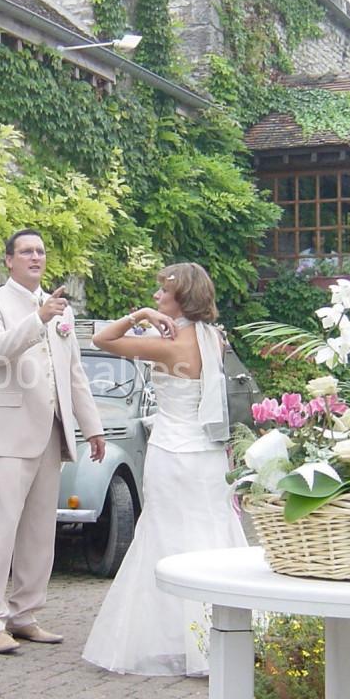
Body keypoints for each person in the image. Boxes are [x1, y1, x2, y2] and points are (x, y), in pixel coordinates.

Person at [82, 262, 248, 676]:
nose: (156, 297)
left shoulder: (167, 345)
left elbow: (101, 339)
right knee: (211, 537)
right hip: (208, 456)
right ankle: (216, 639)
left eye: (162, 293)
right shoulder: (214, 337)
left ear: (182, 298)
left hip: (173, 454)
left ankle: (181, 640)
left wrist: (139, 316)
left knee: (167, 541)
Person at [0, 228, 105, 655]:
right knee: (1, 529)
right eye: (26, 251)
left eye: (41, 251)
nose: (35, 257)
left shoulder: (60, 310)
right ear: (8, 260)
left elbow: (74, 374)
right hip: (8, 434)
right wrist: (39, 319)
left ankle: (24, 614)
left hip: (51, 431)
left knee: (40, 530)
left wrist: (93, 426)